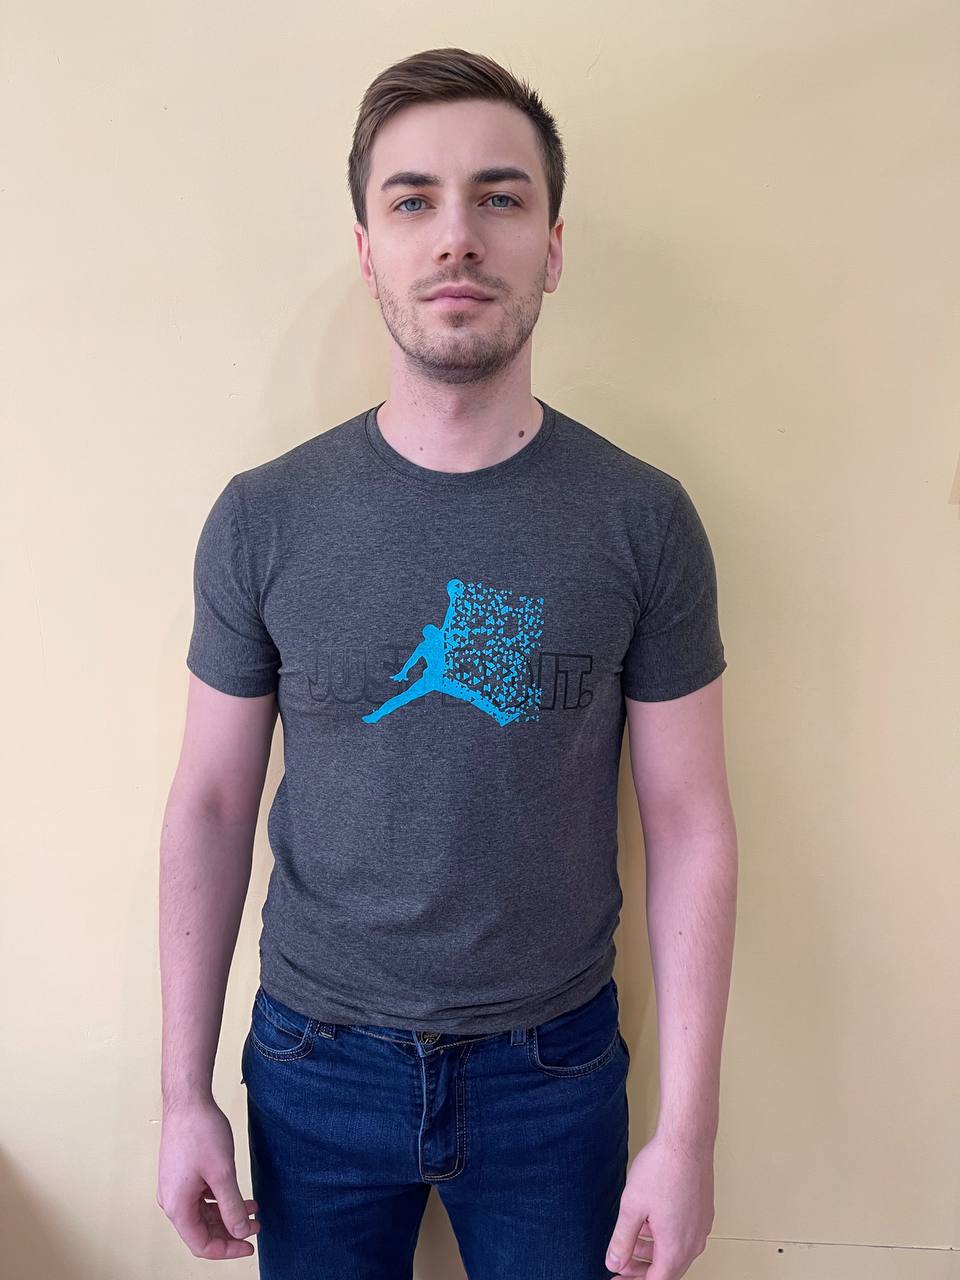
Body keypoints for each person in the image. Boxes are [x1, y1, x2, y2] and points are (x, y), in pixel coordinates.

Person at [157, 45, 738, 1280]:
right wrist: (181, 1093)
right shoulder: (264, 517)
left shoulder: (643, 520)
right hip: (312, 1068)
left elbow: (690, 820)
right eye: (413, 199)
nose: (458, 236)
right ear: (368, 248)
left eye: (500, 197)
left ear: (553, 247)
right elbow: (209, 801)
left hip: (555, 1074)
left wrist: (688, 1133)